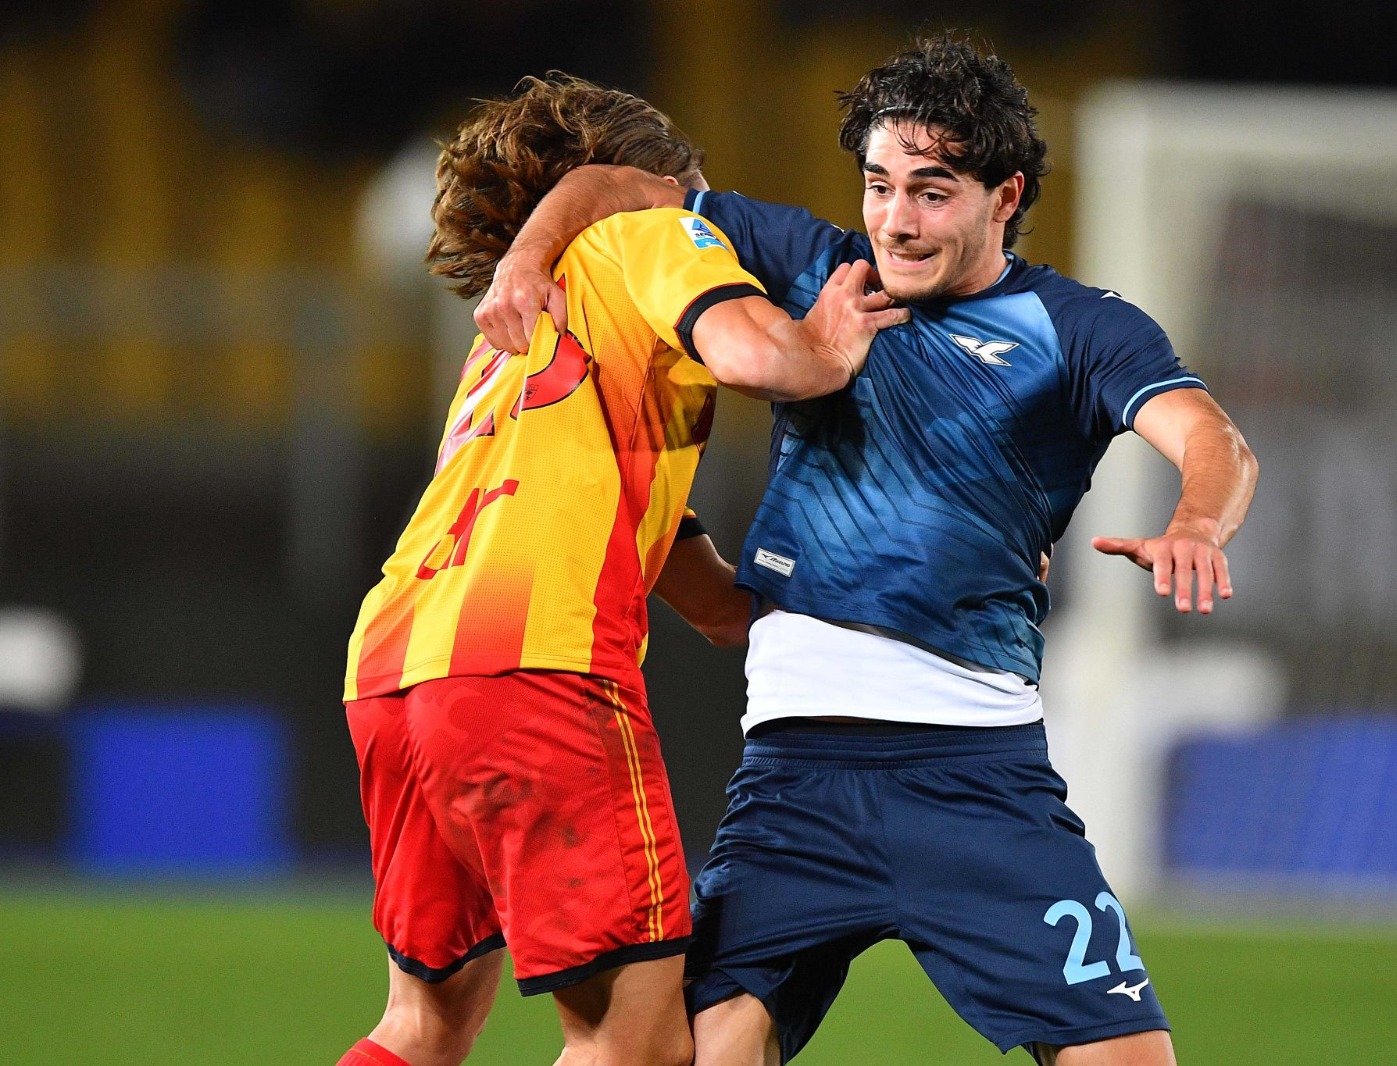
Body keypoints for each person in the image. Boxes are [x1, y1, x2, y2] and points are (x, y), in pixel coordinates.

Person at [477, 35, 1258, 1066]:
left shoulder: (1079, 328)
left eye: (932, 192)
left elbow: (1211, 439)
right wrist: (525, 259)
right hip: (792, 782)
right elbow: (615, 187)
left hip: (978, 778)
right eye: (880, 185)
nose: (896, 219)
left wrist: (1195, 522)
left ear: (1006, 195)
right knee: (694, 1053)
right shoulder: (815, 263)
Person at [337, 74, 906, 1066]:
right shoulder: (649, 234)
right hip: (533, 667)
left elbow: (720, 608)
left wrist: (886, 582)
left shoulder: (521, 339)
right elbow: (754, 356)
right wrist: (820, 352)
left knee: (423, 1027)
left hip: (393, 671)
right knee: (630, 1044)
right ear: (656, 178)